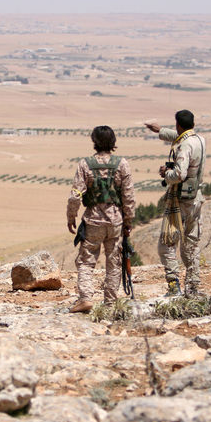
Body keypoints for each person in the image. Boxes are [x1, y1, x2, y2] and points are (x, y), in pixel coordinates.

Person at [66, 126, 135, 313]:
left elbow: (75, 196)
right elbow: (128, 196)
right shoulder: (122, 164)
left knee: (86, 261)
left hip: (93, 220)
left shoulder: (85, 164)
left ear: (94, 141)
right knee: (114, 262)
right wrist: (128, 221)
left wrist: (71, 216)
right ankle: (111, 303)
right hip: (115, 221)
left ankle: (86, 298)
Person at [145, 109, 206, 296]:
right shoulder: (199, 140)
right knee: (191, 244)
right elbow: (181, 137)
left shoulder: (185, 146)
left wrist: (166, 173)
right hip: (196, 199)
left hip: (180, 202)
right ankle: (193, 287)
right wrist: (160, 131)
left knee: (167, 244)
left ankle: (174, 286)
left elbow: (180, 174)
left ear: (178, 124)